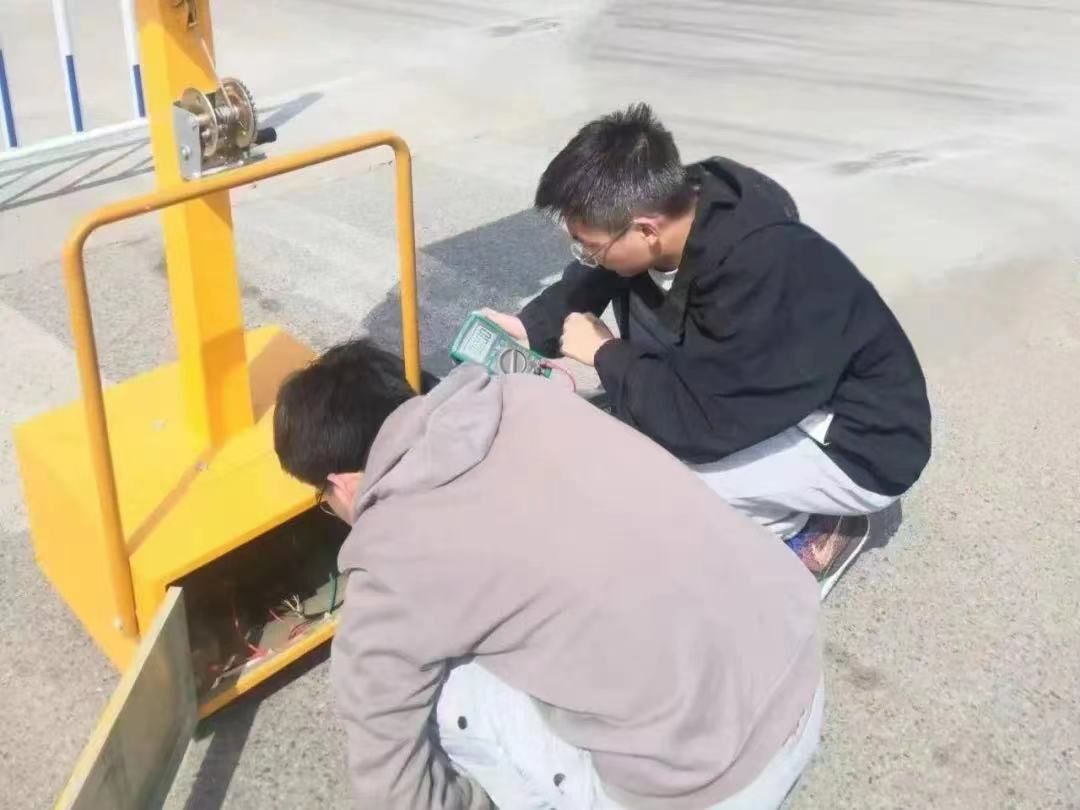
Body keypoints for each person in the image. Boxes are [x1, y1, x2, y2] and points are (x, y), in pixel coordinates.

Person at [274, 339, 824, 810]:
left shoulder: (389, 560)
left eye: (325, 501)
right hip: (797, 664)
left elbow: (391, 783)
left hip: (712, 784)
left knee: (431, 693)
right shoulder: (522, 395)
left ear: (342, 483)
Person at [483, 103, 931, 596]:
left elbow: (702, 424)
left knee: (662, 491)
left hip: (857, 443)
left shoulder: (761, 273)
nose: (587, 256)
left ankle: (806, 528)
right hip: (761, 395)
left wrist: (607, 355)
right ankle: (764, 496)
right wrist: (531, 326)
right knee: (632, 437)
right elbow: (598, 275)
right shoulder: (680, 201)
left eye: (589, 245)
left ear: (646, 230)